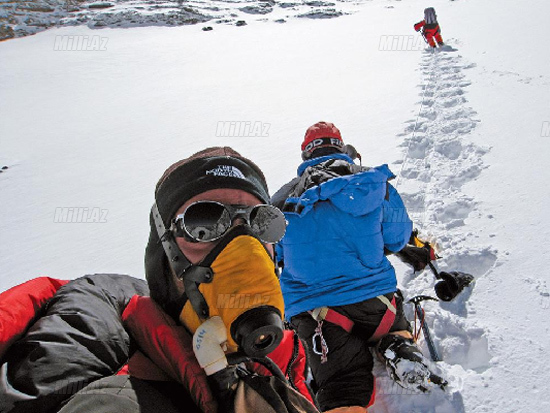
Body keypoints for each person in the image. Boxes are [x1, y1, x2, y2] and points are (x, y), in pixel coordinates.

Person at [0, 147, 317, 413]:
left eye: (260, 222)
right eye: (204, 223)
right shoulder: (118, 368)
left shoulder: (285, 357)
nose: (243, 244)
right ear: (166, 256)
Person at [272, 122, 439, 413]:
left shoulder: (280, 201)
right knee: (392, 323)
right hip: (377, 305)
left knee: (342, 385)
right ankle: (398, 344)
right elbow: (399, 238)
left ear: (305, 155)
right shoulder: (374, 184)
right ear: (340, 147)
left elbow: (274, 257)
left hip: (318, 318)